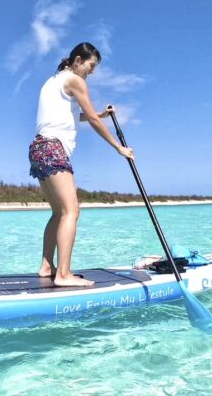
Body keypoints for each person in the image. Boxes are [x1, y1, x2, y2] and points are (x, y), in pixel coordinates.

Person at [29, 42, 134, 287]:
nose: (92, 71)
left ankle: (47, 266)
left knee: (58, 212)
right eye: (91, 65)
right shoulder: (76, 80)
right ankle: (63, 274)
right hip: (53, 148)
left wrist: (99, 114)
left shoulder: (53, 80)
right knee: (71, 211)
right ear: (78, 60)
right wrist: (118, 147)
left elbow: (74, 115)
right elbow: (95, 124)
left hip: (38, 148)